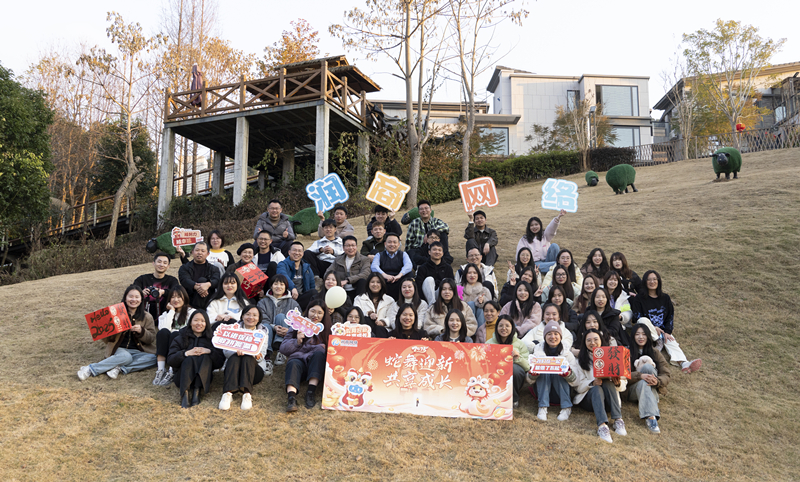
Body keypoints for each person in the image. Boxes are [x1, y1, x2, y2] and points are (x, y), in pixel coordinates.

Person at [77, 286, 157, 381]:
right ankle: (90, 369)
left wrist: (142, 331)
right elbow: (106, 340)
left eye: (137, 297)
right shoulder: (114, 313)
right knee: (126, 357)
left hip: (138, 351)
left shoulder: (147, 316)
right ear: (125, 298)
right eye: (130, 296)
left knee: (155, 358)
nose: (133, 300)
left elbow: (151, 338)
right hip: (119, 349)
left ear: (141, 299)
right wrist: (115, 330)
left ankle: (119, 368)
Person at [630, 270, 702, 374]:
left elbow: (670, 317)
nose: (652, 282)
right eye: (649, 280)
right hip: (646, 330)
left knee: (670, 339)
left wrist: (667, 332)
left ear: (658, 281)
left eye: (654, 279)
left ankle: (684, 363)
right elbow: (637, 316)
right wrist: (654, 328)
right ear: (645, 282)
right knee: (642, 320)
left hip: (662, 332)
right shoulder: (639, 298)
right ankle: (659, 339)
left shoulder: (665, 298)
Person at [571, 329, 628, 443]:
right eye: (589, 340)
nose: (592, 343)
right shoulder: (579, 361)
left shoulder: (612, 357)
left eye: (595, 339)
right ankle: (602, 426)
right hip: (590, 399)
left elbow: (623, 383)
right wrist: (592, 383)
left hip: (609, 400)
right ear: (584, 343)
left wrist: (618, 383)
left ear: (601, 340)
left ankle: (618, 420)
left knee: (608, 382)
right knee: (597, 387)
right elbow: (577, 385)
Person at [280, 300, 332, 412]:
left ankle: (310, 392)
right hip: (299, 364)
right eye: (312, 311)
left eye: (319, 313)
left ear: (324, 315)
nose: (315, 315)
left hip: (316, 366)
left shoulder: (327, 330)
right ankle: (291, 398)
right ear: (307, 311)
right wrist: (297, 342)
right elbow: (283, 349)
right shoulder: (296, 326)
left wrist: (321, 347)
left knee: (319, 355)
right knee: (293, 362)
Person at [166, 310, 224, 408]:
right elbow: (170, 360)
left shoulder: (212, 339)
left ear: (207, 323)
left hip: (203, 378)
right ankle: (185, 393)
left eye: (202, 321)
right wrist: (186, 353)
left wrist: (209, 351)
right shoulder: (180, 337)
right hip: (182, 377)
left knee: (205, 356)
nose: (199, 323)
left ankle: (197, 391)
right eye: (196, 320)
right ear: (190, 322)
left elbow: (220, 363)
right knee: (189, 358)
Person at [219, 305, 270, 411]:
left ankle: (247, 394)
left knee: (248, 357)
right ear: (242, 316)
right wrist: (235, 351)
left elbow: (261, 357)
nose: (251, 317)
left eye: (254, 315)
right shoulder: (233, 329)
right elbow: (225, 352)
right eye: (248, 314)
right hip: (234, 370)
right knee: (235, 356)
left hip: (254, 372)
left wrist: (254, 354)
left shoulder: (262, 332)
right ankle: (227, 393)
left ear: (259, 318)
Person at [626, 323, 671, 434]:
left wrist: (657, 381)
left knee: (648, 368)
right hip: (632, 390)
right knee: (642, 381)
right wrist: (639, 376)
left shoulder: (655, 352)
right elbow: (623, 376)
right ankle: (652, 406)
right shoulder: (626, 352)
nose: (641, 337)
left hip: (650, 385)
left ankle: (651, 416)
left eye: (644, 334)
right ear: (633, 336)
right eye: (637, 334)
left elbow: (666, 374)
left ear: (648, 336)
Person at [529, 321, 576, 422]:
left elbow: (576, 379)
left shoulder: (568, 354)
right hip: (542, 391)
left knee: (559, 369)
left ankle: (566, 407)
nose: (553, 337)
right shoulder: (537, 352)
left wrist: (568, 374)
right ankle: (542, 407)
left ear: (560, 336)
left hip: (561, 391)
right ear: (545, 336)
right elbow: (529, 380)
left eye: (556, 334)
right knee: (544, 369)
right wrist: (533, 375)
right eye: (549, 334)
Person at [152, 286, 195, 386]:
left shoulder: (192, 312)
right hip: (169, 348)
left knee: (176, 333)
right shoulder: (165, 314)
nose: (176, 300)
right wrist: (171, 311)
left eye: (179, 297)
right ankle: (161, 369)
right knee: (163, 332)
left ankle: (172, 370)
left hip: (184, 346)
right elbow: (164, 329)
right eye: (173, 297)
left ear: (185, 298)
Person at [486, 315, 529, 408]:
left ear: (512, 328)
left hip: (512, 373)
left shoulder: (520, 344)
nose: (504, 328)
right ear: (496, 327)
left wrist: (518, 358)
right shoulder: (489, 343)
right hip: (494, 373)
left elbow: (527, 367)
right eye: (501, 325)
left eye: (507, 326)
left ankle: (514, 398)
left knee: (515, 370)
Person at [257, 274, 300, 367]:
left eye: (281, 284)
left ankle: (282, 351)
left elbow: (298, 322)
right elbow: (261, 318)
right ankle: (266, 357)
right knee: (266, 326)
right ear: (271, 286)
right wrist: (274, 327)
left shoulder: (293, 303)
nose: (278, 287)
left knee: (281, 317)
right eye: (275, 284)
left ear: (286, 287)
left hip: (285, 335)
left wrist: (289, 330)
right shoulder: (263, 302)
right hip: (267, 334)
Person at [133, 252, 179, 321]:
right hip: (142, 317)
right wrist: (140, 293)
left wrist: (163, 292)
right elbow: (131, 291)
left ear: (168, 266)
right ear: (153, 263)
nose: (161, 265)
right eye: (159, 262)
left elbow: (177, 293)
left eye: (165, 263)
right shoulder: (142, 279)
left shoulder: (172, 280)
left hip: (165, 317)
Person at [276, 241, 319, 311]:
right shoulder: (282, 265)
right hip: (287, 297)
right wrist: (293, 288)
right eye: (294, 250)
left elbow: (312, 285)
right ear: (289, 252)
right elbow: (283, 276)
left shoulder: (307, 268)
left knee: (314, 292)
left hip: (301, 299)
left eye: (299, 251)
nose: (297, 253)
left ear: (303, 253)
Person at [178, 242, 221, 309]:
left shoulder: (213, 269)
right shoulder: (184, 267)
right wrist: (199, 287)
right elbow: (185, 280)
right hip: (190, 300)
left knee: (202, 280)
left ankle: (199, 310)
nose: (199, 253)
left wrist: (208, 284)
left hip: (209, 301)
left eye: (203, 251)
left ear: (208, 254)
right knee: (202, 281)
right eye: (197, 250)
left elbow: (216, 280)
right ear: (192, 252)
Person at [370, 233, 413, 300]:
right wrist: (385, 275)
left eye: (394, 242)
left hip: (399, 280)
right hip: (384, 281)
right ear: (385, 244)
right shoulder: (379, 255)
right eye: (389, 242)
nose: (392, 244)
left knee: (409, 274)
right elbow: (374, 267)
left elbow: (409, 265)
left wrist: (399, 275)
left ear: (398, 244)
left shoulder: (403, 254)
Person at [459, 263, 493, 342]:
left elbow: (491, 309)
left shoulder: (485, 290)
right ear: (465, 275)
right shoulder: (459, 289)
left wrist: (483, 301)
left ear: (478, 275)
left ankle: (480, 335)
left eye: (474, 273)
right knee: (471, 304)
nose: (472, 275)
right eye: (469, 273)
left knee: (481, 309)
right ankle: (471, 333)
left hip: (482, 322)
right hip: (464, 321)